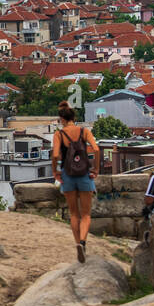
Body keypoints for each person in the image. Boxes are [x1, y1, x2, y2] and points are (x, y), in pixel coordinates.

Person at [51, 103, 101, 262]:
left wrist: (55, 171)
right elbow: (97, 149)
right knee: (86, 214)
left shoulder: (59, 134)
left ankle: (76, 243)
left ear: (62, 119)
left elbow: (55, 154)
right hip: (84, 173)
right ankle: (83, 242)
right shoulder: (84, 131)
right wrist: (96, 169)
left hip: (68, 174)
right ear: (74, 118)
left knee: (74, 213)